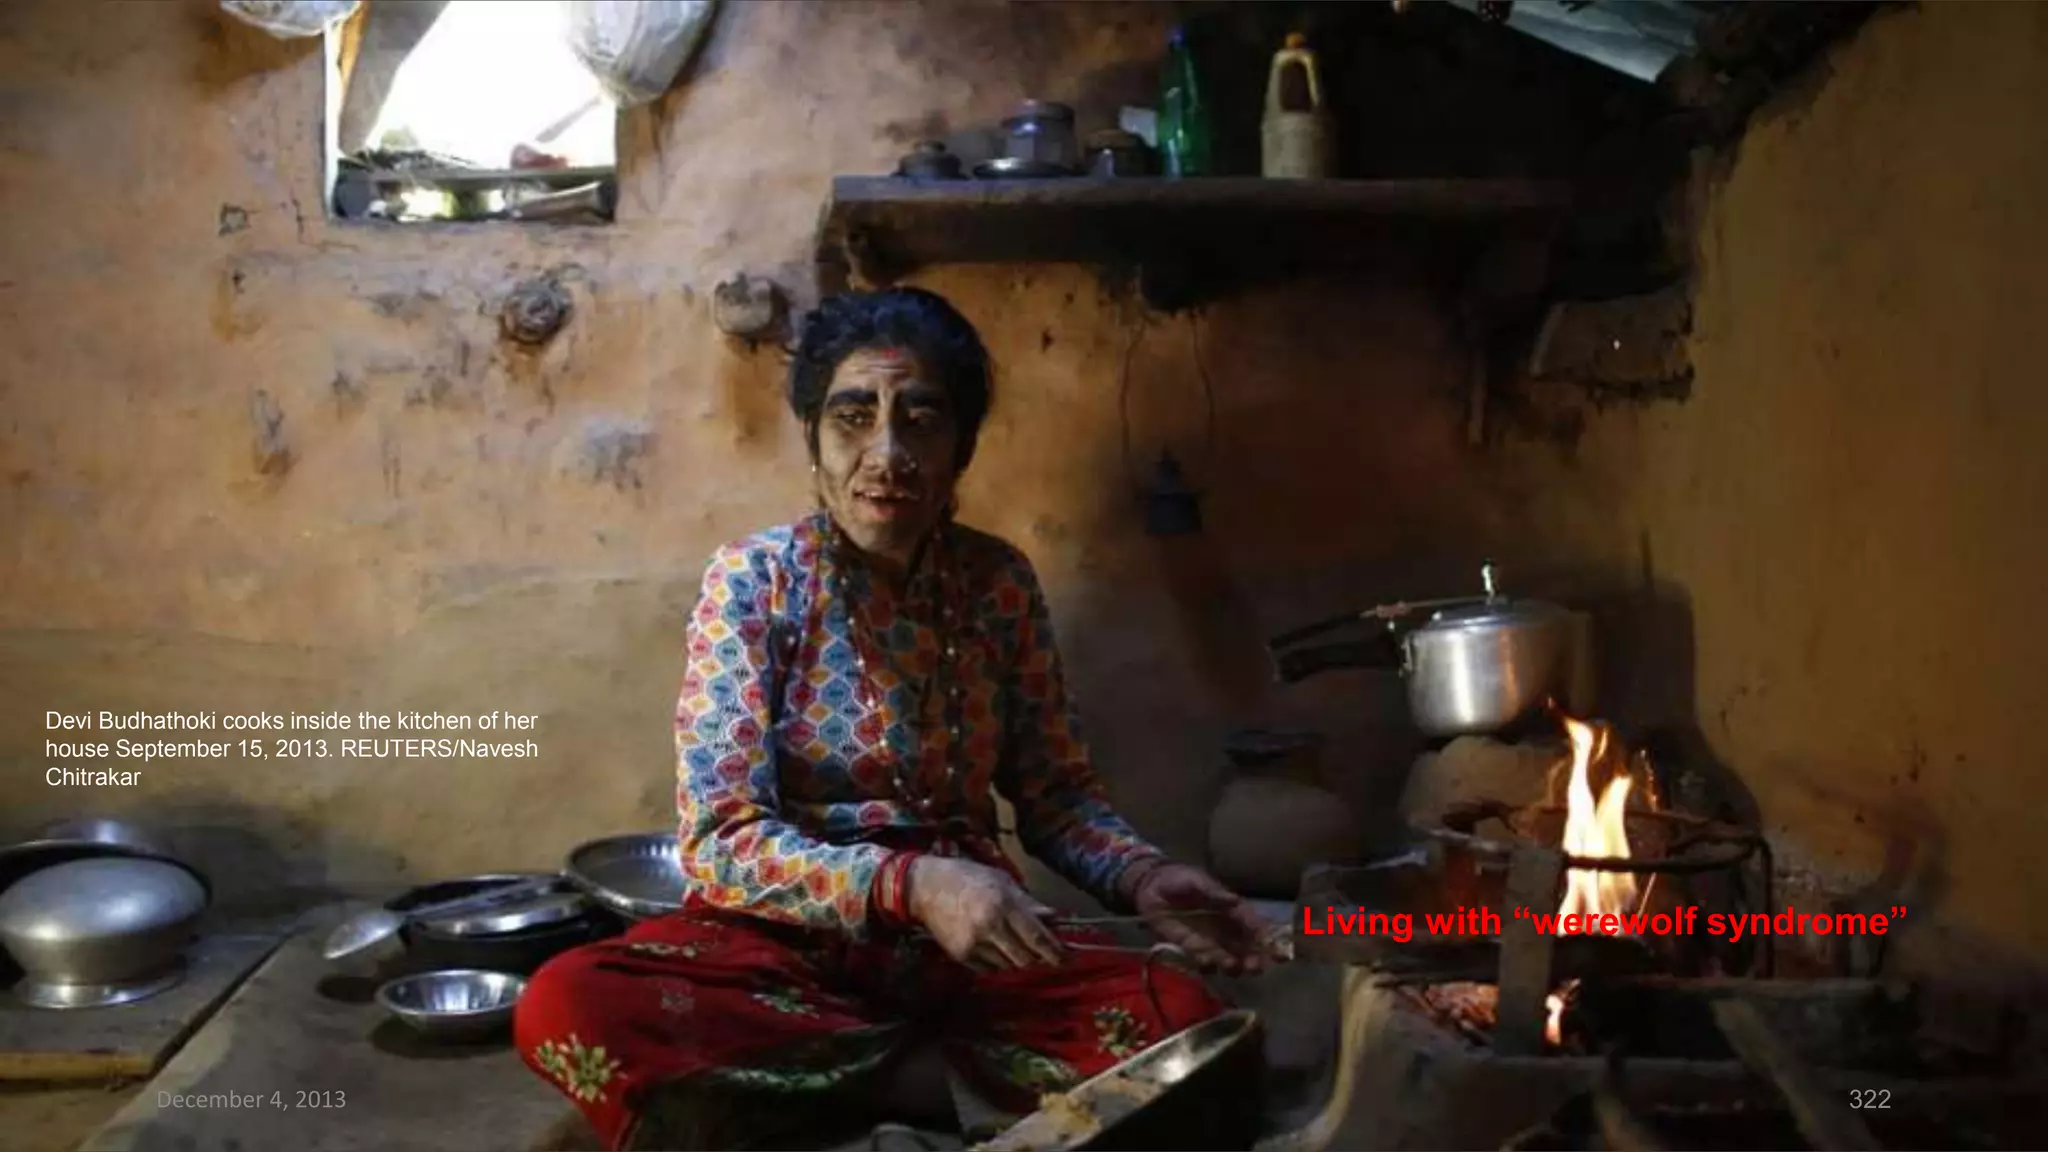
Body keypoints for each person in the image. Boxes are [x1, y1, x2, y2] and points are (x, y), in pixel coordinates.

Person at [514, 288, 1275, 1150]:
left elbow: (1055, 796)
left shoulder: (997, 585)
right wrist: (911, 884)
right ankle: (938, 1089)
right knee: (568, 1003)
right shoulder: (756, 581)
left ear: (961, 449)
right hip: (788, 955)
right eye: (853, 417)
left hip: (972, 956)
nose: (888, 453)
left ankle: (823, 1102)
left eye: (921, 420)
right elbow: (719, 840)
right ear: (814, 440)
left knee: (1188, 1021)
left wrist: (1142, 878)